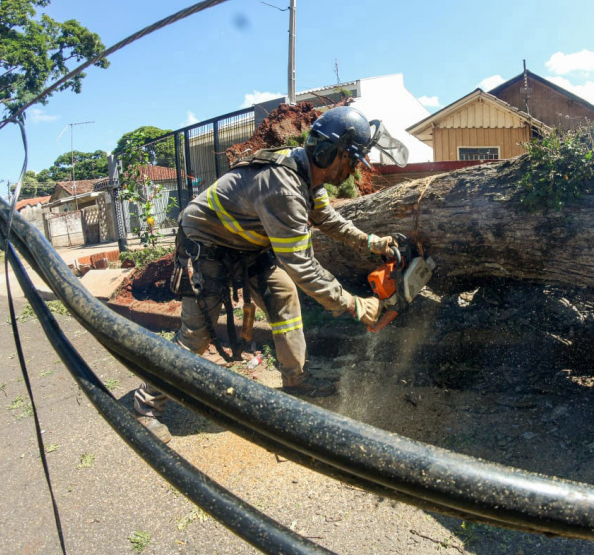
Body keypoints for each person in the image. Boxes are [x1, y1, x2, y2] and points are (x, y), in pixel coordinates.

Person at [134, 106, 409, 443]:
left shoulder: (308, 175)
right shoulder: (284, 188)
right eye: (352, 160)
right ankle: (146, 406)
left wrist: (370, 242)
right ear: (332, 153)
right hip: (207, 241)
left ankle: (297, 381)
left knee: (284, 299)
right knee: (197, 335)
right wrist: (353, 304)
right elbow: (302, 265)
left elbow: (328, 220)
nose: (354, 170)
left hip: (249, 242)